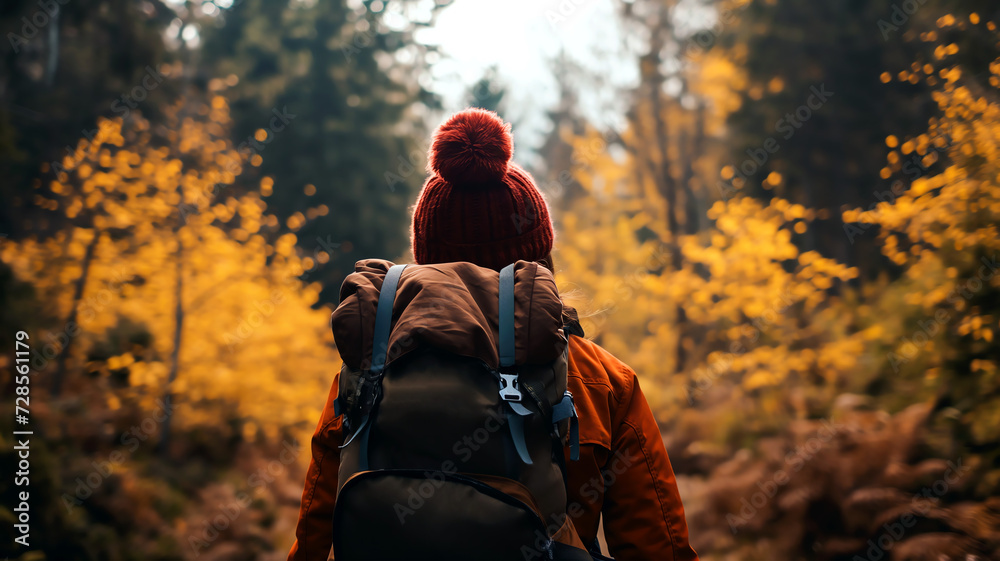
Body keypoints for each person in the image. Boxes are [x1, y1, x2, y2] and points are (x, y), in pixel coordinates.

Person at [288, 108, 698, 561]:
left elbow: (312, 539)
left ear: (426, 260)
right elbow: (658, 548)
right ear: (540, 257)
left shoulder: (371, 368)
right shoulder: (602, 380)